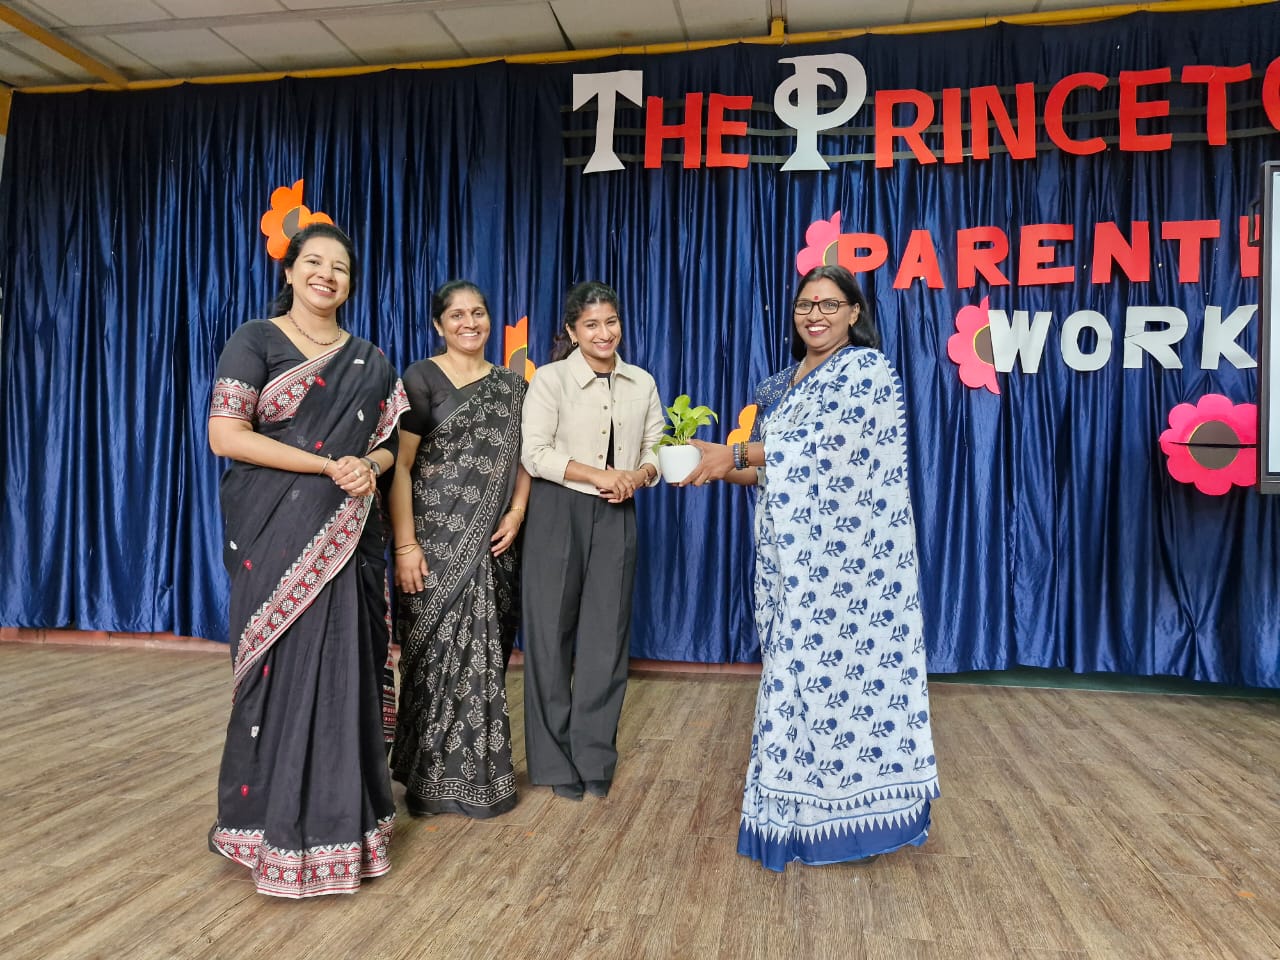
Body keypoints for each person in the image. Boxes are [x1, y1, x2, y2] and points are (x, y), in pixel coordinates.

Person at [681, 265, 940, 871]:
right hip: (789, 565)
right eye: (804, 304)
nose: (814, 315)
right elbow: (770, 469)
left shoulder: (868, 371)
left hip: (853, 575)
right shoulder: (781, 385)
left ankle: (855, 821)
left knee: (852, 688)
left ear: (854, 312)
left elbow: (830, 448)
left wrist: (733, 451)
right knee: (794, 684)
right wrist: (708, 464)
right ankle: (793, 816)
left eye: (828, 304)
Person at [206, 222, 408, 897]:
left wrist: (366, 466)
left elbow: (389, 447)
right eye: (314, 262)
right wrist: (326, 465)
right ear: (289, 271)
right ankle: (264, 829)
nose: (327, 274)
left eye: (340, 267)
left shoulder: (371, 360)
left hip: (348, 541)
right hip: (273, 536)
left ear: (351, 284)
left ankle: (343, 831)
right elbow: (226, 435)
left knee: (346, 675)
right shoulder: (255, 340)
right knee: (276, 678)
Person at [389, 280, 530, 819]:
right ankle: (426, 780)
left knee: (484, 659)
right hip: (432, 542)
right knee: (430, 662)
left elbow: (526, 459)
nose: (469, 323)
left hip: (493, 543)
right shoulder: (421, 378)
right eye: (457, 315)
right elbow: (400, 466)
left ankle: (480, 780)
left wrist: (517, 512)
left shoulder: (512, 387)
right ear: (439, 324)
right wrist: (406, 545)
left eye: (478, 313)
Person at [520, 281, 664, 801]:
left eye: (611, 322)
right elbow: (535, 453)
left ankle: (594, 757)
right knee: (549, 638)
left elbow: (656, 445)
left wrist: (638, 475)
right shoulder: (551, 379)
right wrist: (598, 474)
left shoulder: (641, 381)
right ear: (572, 331)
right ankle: (554, 762)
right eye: (591, 324)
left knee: (607, 638)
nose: (604, 333)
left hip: (617, 511)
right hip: (557, 510)